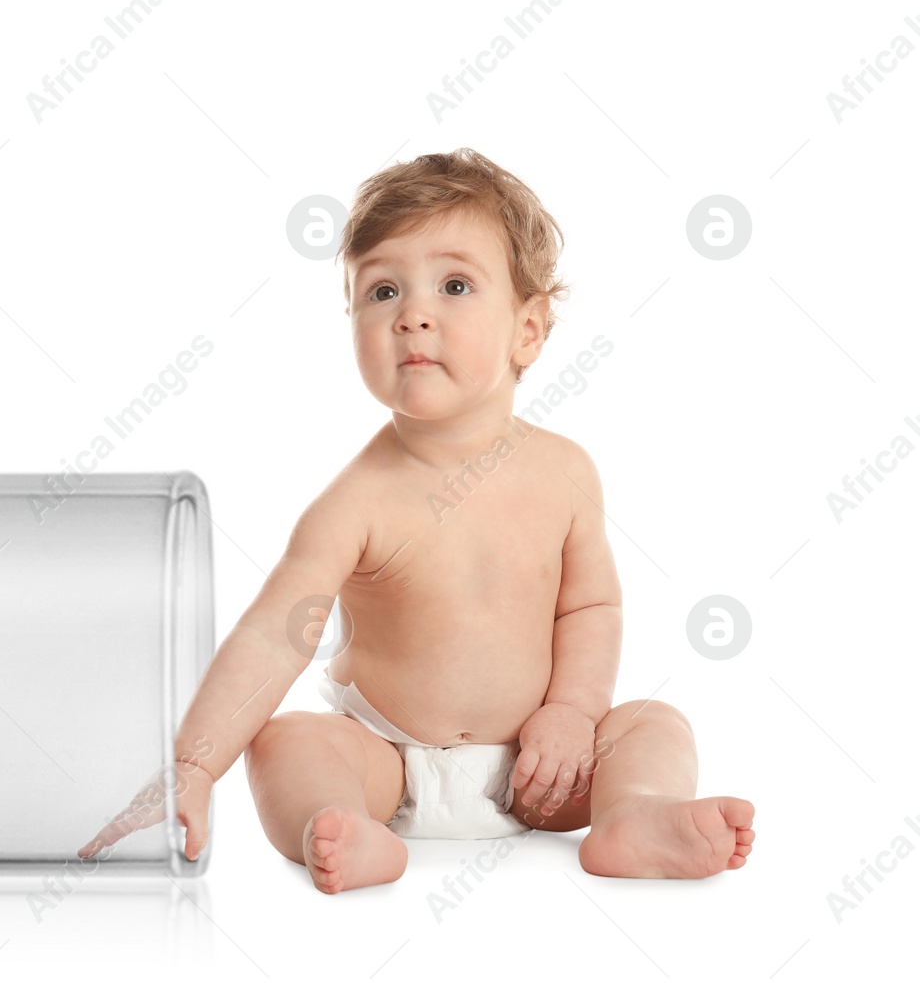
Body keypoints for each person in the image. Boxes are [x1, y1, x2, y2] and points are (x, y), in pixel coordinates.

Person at [78, 148, 754, 892]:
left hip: (540, 768)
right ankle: (340, 828)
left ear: (528, 329)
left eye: (454, 284)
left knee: (654, 724)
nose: (413, 315)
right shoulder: (355, 500)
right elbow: (275, 633)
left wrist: (569, 711)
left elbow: (590, 606)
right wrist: (197, 764)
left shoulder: (565, 472)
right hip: (386, 762)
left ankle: (636, 815)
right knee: (287, 742)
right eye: (382, 290)